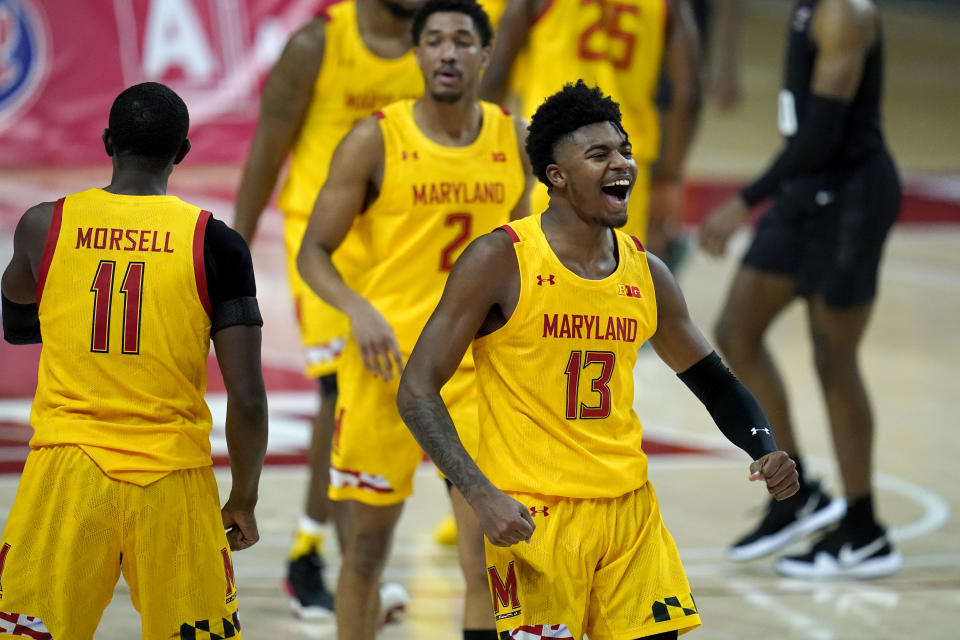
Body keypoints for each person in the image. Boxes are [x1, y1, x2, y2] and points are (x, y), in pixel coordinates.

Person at [397, 80, 798, 639]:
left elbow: (716, 383)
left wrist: (765, 447)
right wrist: (478, 491)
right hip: (535, 521)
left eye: (625, 150)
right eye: (600, 155)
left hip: (630, 517)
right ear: (557, 177)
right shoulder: (499, 260)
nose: (623, 164)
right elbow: (416, 389)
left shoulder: (648, 272)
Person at [296, 0, 533, 637]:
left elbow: (530, 253)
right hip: (387, 366)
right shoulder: (375, 137)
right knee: (368, 552)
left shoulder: (515, 139)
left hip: (475, 370)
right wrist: (357, 309)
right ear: (417, 54)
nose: (447, 52)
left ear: (486, 56)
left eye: (462, 40)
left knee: (488, 554)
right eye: (433, 40)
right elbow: (312, 251)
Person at [0, 82, 267, 639]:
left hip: (65, 471)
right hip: (172, 477)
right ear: (183, 152)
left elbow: (19, 319)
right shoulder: (215, 244)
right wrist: (243, 497)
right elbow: (245, 396)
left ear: (106, 143)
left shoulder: (42, 226)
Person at [233, 0, 428, 618]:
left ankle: (325, 558)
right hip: (325, 243)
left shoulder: (437, 49)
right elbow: (267, 151)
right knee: (336, 393)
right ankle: (325, 564)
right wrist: (230, 259)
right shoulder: (316, 45)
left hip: (401, 243)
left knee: (380, 395)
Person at [699, 0, 902, 578]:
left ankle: (864, 529)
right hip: (805, 191)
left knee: (833, 358)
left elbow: (820, 133)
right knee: (736, 331)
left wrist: (745, 198)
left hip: (852, 199)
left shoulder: (848, 14)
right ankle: (797, 494)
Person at [480, 0, 701, 248]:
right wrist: (669, 178)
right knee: (615, 279)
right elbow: (688, 95)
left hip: (550, 162)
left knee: (536, 279)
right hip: (623, 170)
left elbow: (497, 74)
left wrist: (480, 147)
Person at [651, 0, 743, 270]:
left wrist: (727, 62)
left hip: (671, 63)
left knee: (661, 179)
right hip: (643, 62)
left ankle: (660, 251)